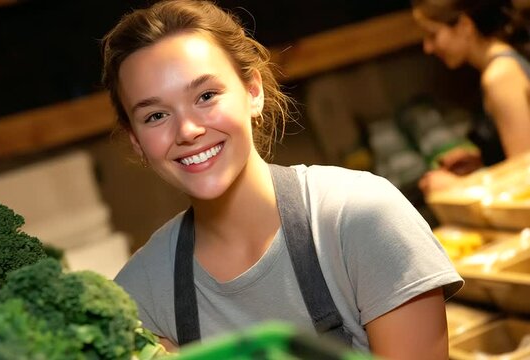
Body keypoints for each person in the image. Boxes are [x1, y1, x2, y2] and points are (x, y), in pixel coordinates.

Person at [103, 0, 463, 358]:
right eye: (155, 116)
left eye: (206, 95)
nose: (188, 130)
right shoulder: (138, 299)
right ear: (136, 140)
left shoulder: (360, 218)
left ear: (253, 92)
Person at [412, 0, 530, 193]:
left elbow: (525, 179)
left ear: (465, 26)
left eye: (433, 35)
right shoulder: (505, 60)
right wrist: (484, 159)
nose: (428, 47)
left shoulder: (500, 77)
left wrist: (459, 186)